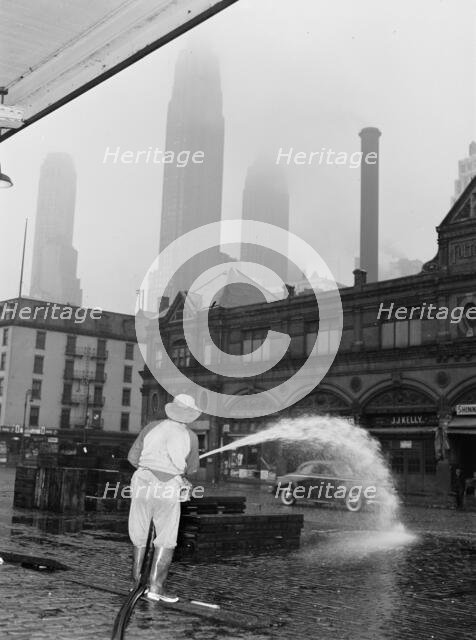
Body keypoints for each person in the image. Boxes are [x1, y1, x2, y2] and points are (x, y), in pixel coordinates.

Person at [127, 393, 200, 602]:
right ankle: (156, 589)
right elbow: (192, 469)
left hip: (142, 482)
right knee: (166, 538)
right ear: (189, 416)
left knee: (139, 533)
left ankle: (136, 585)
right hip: (168, 487)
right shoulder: (191, 437)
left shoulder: (151, 427)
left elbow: (133, 458)